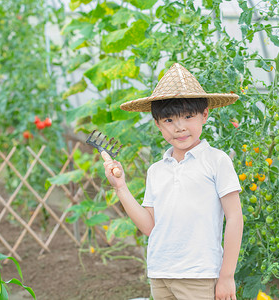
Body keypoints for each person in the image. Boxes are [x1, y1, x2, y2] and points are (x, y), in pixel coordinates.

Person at [102, 63, 243, 300]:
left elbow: (235, 217)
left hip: (199, 275)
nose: (179, 127)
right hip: (160, 273)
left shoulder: (216, 161)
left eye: (188, 116)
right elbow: (150, 227)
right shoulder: (156, 170)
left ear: (204, 115)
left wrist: (227, 275)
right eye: (168, 120)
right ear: (157, 123)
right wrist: (121, 188)